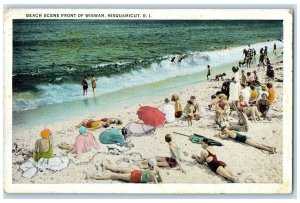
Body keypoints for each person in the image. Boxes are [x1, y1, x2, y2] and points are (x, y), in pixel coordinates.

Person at [87, 159, 162, 184]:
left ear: (149, 165)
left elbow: (156, 184)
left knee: (114, 175)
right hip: (138, 172)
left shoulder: (152, 173)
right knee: (120, 168)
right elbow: (159, 179)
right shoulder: (157, 168)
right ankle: (106, 166)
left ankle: (94, 177)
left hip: (135, 177)